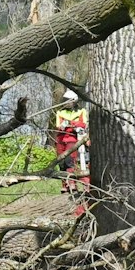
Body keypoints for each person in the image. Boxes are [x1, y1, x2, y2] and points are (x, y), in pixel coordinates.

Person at [51, 88, 91, 216]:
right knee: (61, 162)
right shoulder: (60, 113)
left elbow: (83, 124)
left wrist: (71, 124)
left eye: (69, 101)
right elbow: (59, 125)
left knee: (70, 161)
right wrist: (67, 125)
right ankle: (65, 184)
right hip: (61, 138)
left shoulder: (81, 111)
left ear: (74, 101)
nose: (66, 103)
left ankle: (72, 182)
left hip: (73, 139)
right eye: (65, 100)